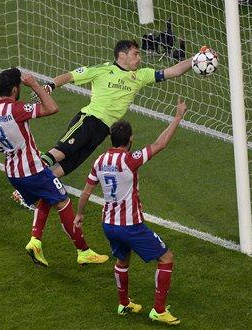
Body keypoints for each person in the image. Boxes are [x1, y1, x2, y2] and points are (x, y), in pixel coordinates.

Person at [74, 98, 187, 325]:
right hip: (130, 225)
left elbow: (86, 192)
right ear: (130, 140)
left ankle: (124, 304)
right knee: (166, 258)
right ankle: (159, 310)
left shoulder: (100, 160)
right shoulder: (129, 159)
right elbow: (160, 143)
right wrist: (177, 117)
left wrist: (79, 215)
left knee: (122, 261)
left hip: (108, 224)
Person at [0, 67, 109, 266]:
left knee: (46, 198)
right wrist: (35, 86)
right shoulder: (17, 108)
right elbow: (52, 108)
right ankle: (83, 252)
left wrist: (7, 141)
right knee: (63, 202)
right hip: (32, 169)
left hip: (13, 172)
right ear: (15, 90)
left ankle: (35, 241)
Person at [37, 40, 212, 178]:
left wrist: (198, 58)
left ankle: (32, 191)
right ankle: (29, 174)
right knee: (62, 151)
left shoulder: (141, 75)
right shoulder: (102, 70)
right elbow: (71, 76)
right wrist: (49, 86)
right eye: (136, 54)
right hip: (88, 119)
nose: (139, 58)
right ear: (122, 55)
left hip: (104, 130)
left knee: (68, 165)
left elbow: (174, 71)